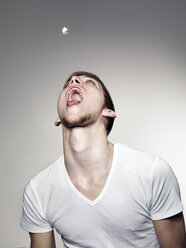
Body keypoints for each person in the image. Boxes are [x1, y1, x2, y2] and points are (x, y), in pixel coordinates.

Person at [21, 71, 186, 248]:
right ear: (59, 118)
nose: (73, 81)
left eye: (90, 83)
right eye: (68, 83)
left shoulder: (152, 172)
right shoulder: (38, 191)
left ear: (108, 112)